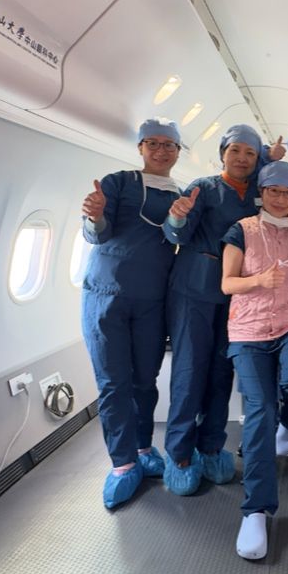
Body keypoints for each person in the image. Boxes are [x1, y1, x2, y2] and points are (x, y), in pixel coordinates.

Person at [161, 124, 282, 496]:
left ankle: (212, 446)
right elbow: (176, 235)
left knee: (221, 371)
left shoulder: (262, 192)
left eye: (250, 153)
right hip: (193, 291)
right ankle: (180, 454)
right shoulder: (203, 187)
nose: (242, 158)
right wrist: (177, 217)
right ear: (222, 154)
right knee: (189, 371)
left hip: (237, 295)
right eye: (235, 151)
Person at [79, 117, 181, 509]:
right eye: (152, 143)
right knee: (113, 383)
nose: (161, 150)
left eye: (169, 145)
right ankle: (122, 464)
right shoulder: (118, 183)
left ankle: (142, 449)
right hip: (106, 296)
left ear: (178, 151)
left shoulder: (182, 195)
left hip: (152, 299)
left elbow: (178, 238)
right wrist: (95, 215)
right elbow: (97, 233)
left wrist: (180, 219)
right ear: (140, 148)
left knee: (144, 380)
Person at [220, 161, 288, 560]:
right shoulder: (241, 230)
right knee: (260, 412)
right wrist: (258, 280)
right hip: (249, 328)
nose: (281, 198)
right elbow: (227, 283)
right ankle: (256, 511)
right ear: (262, 193)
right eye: (274, 191)